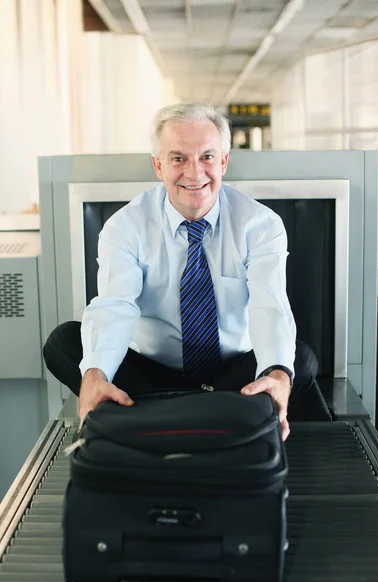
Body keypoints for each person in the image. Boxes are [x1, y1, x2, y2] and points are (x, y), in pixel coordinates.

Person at [43, 103, 331, 440]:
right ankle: (211, 414)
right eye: (178, 158)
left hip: (233, 373)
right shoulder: (126, 226)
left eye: (207, 157)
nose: (194, 173)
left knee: (301, 358)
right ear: (158, 165)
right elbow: (115, 305)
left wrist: (277, 372)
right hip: (154, 373)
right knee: (63, 342)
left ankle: (160, 419)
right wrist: (96, 373)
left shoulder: (260, 225)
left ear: (223, 161)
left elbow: (269, 305)